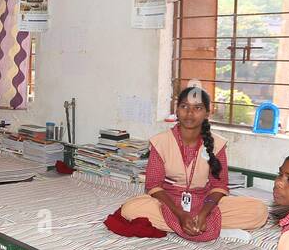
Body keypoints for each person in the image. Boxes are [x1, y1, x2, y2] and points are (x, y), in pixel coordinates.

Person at [109, 86, 268, 240]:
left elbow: (219, 186)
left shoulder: (216, 144)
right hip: (168, 202)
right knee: (130, 209)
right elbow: (153, 185)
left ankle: (201, 223)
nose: (190, 113)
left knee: (259, 211)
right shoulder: (161, 142)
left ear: (207, 113)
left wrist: (204, 213)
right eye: (184, 106)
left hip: (205, 201)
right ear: (177, 110)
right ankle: (209, 227)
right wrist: (180, 214)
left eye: (198, 108)